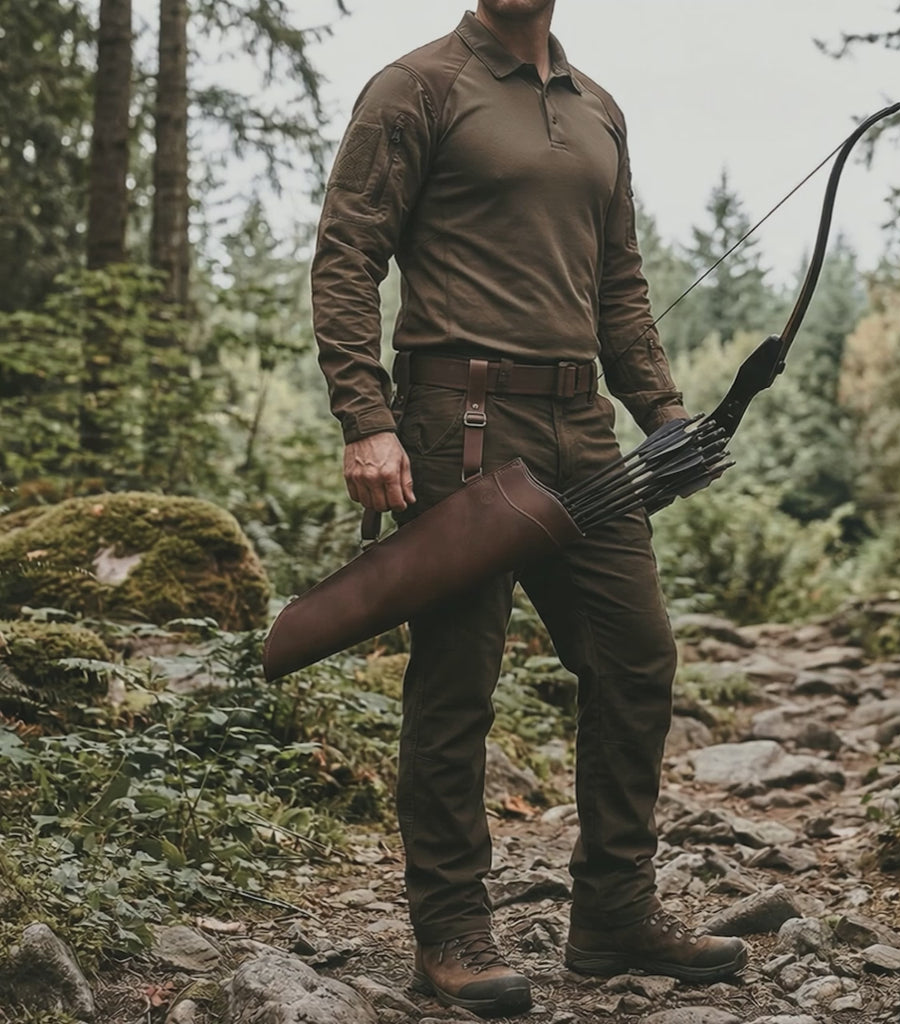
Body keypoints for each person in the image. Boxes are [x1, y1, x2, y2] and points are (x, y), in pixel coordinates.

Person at [311, 1, 749, 1016]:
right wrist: (365, 418)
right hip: (455, 424)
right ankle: (450, 929)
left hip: (581, 426)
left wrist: (664, 414)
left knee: (636, 658)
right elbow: (346, 255)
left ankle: (613, 914)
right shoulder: (417, 86)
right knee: (457, 679)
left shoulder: (598, 107)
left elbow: (619, 282)